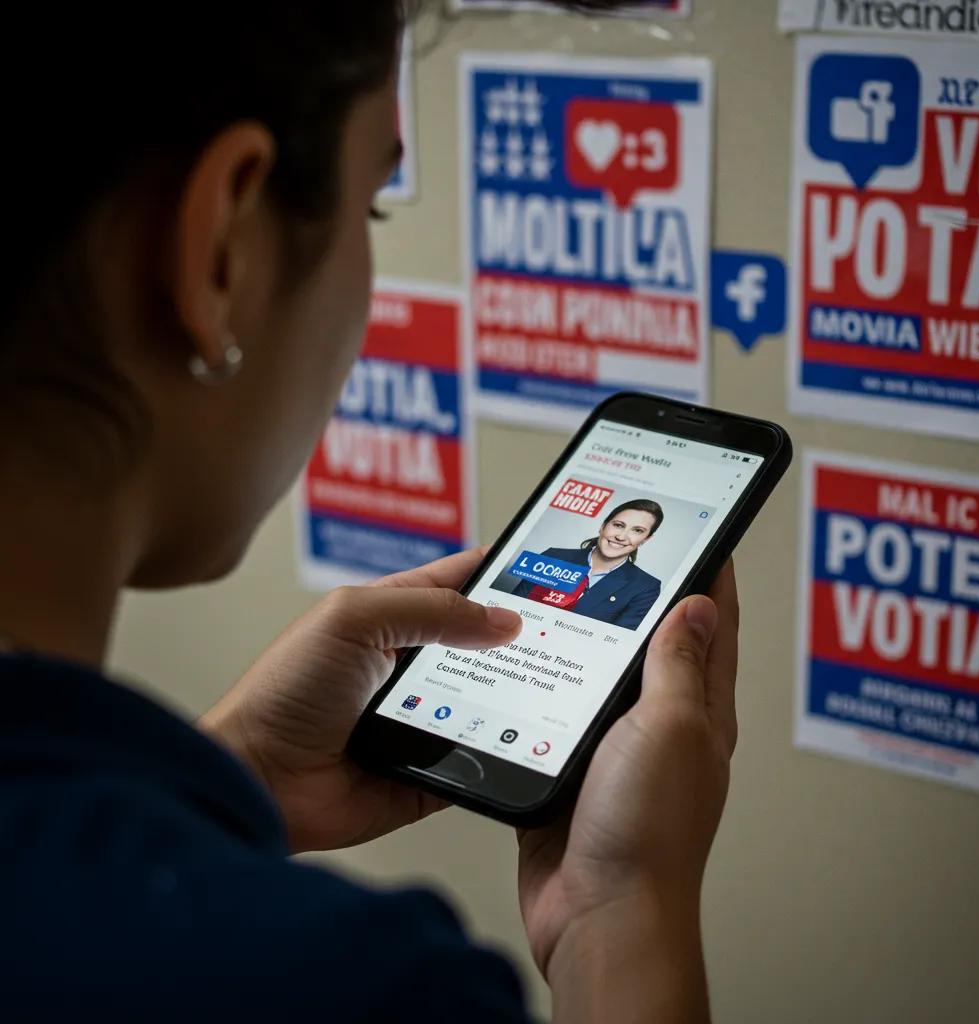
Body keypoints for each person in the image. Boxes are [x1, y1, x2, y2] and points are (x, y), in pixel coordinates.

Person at [0, 4, 740, 1021]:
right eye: (372, 208)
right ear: (221, 250)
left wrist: (237, 773)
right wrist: (621, 912)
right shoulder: (351, 986)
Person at [510, 500, 664, 628]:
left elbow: (617, 642)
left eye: (637, 530)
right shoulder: (553, 556)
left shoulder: (647, 587)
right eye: (618, 525)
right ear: (603, 526)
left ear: (645, 539)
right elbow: (512, 609)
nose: (621, 536)